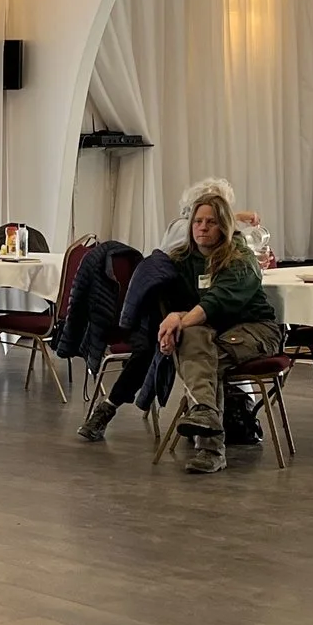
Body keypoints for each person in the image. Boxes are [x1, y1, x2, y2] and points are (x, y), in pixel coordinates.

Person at [94, 185, 281, 473]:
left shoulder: (241, 258)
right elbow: (185, 308)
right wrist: (170, 328)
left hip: (255, 330)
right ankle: (207, 426)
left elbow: (216, 302)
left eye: (211, 222)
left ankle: (210, 446)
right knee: (194, 343)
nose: (202, 227)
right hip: (208, 331)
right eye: (198, 221)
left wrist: (176, 322)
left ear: (224, 226)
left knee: (202, 359)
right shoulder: (182, 260)